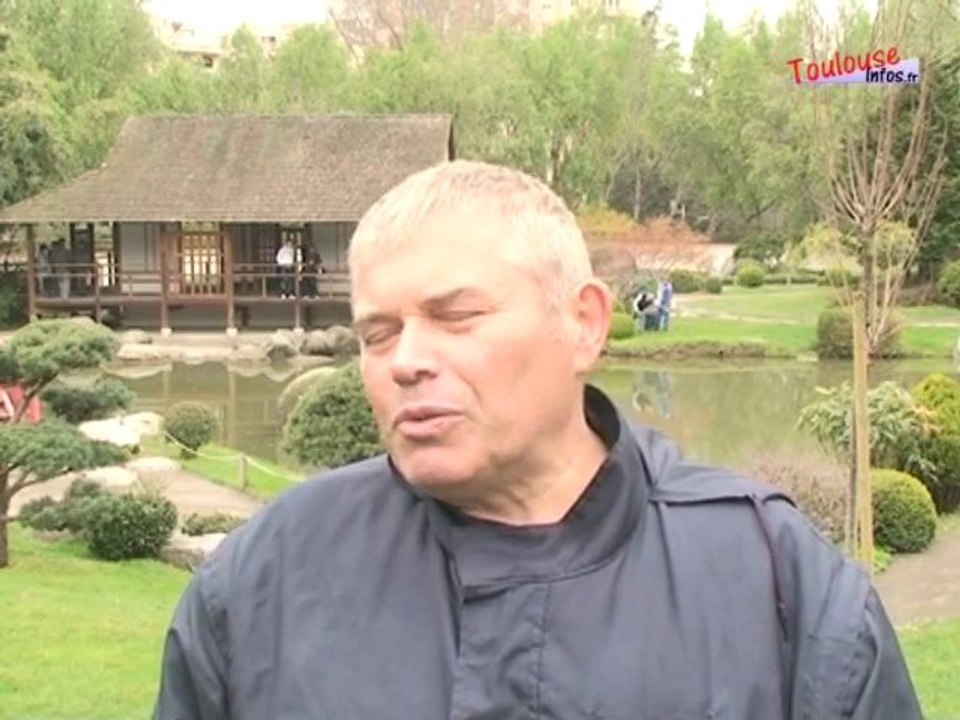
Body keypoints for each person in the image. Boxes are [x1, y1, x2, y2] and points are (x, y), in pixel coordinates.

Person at [152, 160, 922, 720]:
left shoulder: (774, 580)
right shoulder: (273, 573)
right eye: (377, 333)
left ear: (582, 322)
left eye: (455, 317)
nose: (407, 360)